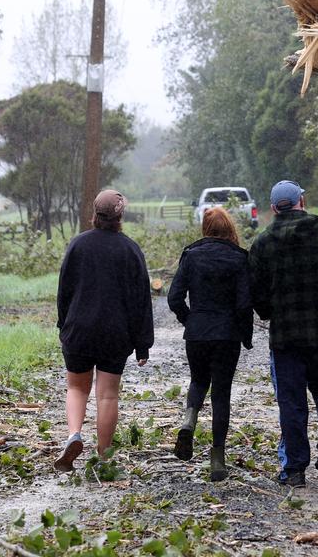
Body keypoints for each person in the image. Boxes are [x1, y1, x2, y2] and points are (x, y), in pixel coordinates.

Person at [249, 180, 318, 488]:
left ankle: (295, 469)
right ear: (303, 201)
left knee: (292, 401)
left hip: (285, 339)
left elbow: (255, 293)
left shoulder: (263, 243)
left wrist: (271, 312)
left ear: (273, 209)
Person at [53, 189, 153, 472]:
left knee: (76, 387)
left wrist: (64, 325)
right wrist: (143, 343)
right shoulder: (130, 249)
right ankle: (104, 454)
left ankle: (74, 434)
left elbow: (65, 291)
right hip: (115, 333)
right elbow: (140, 301)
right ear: (120, 216)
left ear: (94, 214)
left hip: (79, 329)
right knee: (107, 394)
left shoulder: (78, 245)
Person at [167, 207, 253, 481]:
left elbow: (174, 298)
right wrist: (245, 335)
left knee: (198, 380)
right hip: (227, 335)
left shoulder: (191, 256)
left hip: (197, 333)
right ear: (230, 228)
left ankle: (189, 420)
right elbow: (243, 304)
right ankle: (217, 459)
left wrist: (189, 320)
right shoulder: (239, 259)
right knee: (221, 394)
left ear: (205, 228)